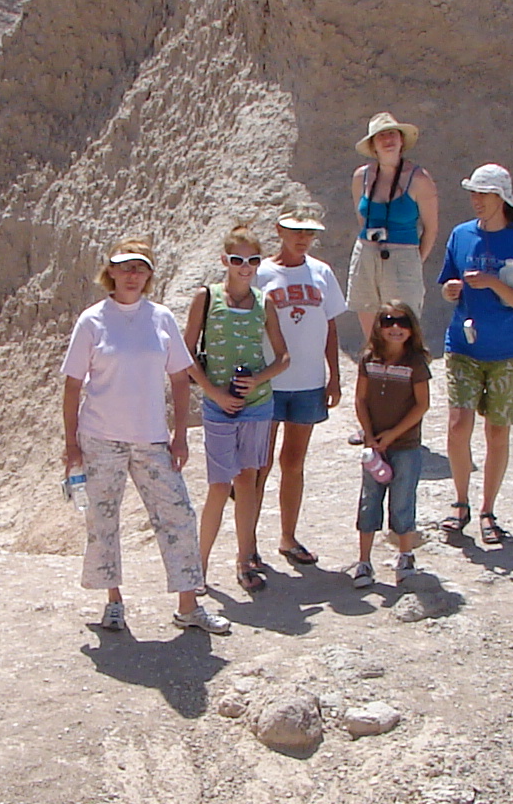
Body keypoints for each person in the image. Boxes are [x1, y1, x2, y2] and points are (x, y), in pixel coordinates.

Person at [62, 239, 231, 635]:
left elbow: (179, 377)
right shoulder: (92, 320)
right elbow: (72, 385)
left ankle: (188, 605)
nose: (132, 275)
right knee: (102, 521)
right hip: (100, 437)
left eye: (140, 268)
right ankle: (114, 602)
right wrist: (71, 446)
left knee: (178, 516)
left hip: (152, 438)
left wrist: (180, 435)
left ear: (149, 274)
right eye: (125, 268)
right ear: (112, 272)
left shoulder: (161, 318)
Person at [437, 162, 513, 548]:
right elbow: (448, 282)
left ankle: (487, 510)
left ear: (502, 198)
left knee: (497, 431)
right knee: (457, 425)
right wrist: (450, 290)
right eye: (473, 193)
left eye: (483, 193)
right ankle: (460, 502)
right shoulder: (461, 235)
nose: (476, 200)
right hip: (463, 344)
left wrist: (494, 283)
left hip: (509, 349)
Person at [184, 226, 291, 597]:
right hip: (217, 406)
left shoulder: (266, 302)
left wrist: (257, 380)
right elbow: (186, 356)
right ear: (225, 261)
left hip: (257, 405)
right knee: (218, 485)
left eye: (252, 260)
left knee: (248, 482)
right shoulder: (207, 298)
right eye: (237, 260)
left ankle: (245, 560)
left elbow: (283, 357)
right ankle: (199, 566)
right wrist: (215, 391)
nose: (245, 267)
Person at [254, 209, 347, 568]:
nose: (303, 238)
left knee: (294, 462)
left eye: (309, 232)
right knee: (259, 464)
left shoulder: (321, 272)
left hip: (308, 382)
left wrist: (334, 376)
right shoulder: (262, 273)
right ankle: (248, 546)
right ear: (279, 230)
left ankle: (288, 537)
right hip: (270, 381)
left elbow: (330, 326)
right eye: (295, 231)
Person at [348, 302, 432, 586]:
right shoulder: (368, 359)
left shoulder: (415, 363)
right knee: (369, 501)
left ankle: (405, 555)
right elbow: (360, 399)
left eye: (402, 322)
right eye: (388, 321)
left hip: (405, 445)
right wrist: (370, 436)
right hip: (375, 447)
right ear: (378, 326)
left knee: (403, 501)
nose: (395, 328)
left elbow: (422, 405)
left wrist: (393, 435)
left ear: (411, 329)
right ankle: (364, 561)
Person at [347, 113, 440, 350]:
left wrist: (414, 261)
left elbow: (430, 229)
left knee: (402, 333)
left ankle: (406, 384)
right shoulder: (362, 177)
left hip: (403, 256)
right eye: (381, 136)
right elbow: (362, 217)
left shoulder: (419, 179)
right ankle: (375, 380)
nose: (387, 140)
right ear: (373, 145)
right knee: (371, 334)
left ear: (401, 140)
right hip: (366, 254)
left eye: (392, 134)